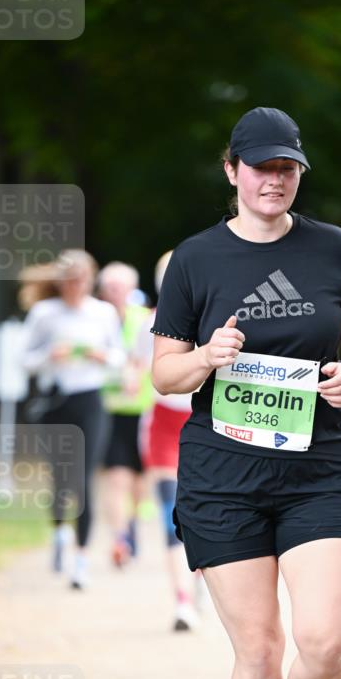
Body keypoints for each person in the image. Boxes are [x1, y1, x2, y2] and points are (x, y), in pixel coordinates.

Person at [151, 107, 341, 679]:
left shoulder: (332, 247)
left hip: (318, 467)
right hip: (224, 475)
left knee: (325, 641)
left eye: (286, 168)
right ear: (232, 172)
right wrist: (205, 359)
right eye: (260, 167)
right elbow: (163, 375)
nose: (273, 180)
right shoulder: (194, 259)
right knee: (259, 647)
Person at [20, 250, 124, 589]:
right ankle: (59, 531)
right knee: (60, 477)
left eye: (81, 279)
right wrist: (50, 355)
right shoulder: (43, 314)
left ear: (90, 280)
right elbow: (25, 360)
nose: (76, 286)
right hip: (54, 402)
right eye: (70, 279)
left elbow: (119, 358)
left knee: (82, 478)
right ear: (60, 281)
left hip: (90, 400)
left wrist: (102, 356)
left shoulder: (103, 313)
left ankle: (80, 561)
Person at [139, 250, 198, 631]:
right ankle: (183, 600)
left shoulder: (213, 321)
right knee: (169, 515)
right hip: (163, 423)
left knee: (201, 515)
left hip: (204, 424)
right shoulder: (149, 325)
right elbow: (141, 370)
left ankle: (201, 579)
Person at [97, 261, 154, 567]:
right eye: (110, 287)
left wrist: (136, 373)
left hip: (142, 409)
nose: (116, 292)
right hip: (109, 409)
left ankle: (130, 528)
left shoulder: (143, 319)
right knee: (116, 476)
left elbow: (149, 355)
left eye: (121, 286)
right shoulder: (96, 318)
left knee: (138, 481)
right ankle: (120, 537)